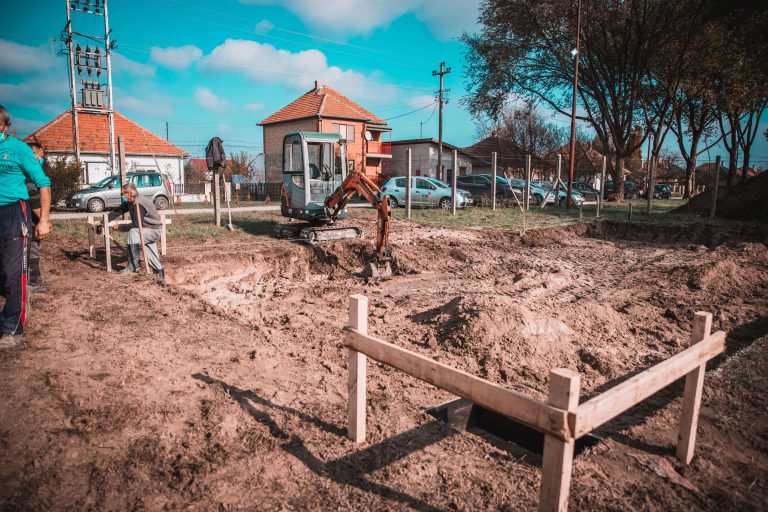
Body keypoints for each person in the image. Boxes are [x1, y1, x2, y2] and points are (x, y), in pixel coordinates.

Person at [0, 105, 53, 348]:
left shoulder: (18, 149)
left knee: (14, 272)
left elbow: (43, 183)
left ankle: (12, 327)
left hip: (12, 211)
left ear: (5, 126)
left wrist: (43, 219)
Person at [102, 183, 165, 280]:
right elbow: (118, 211)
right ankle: (159, 272)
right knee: (150, 251)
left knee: (134, 232)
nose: (122, 196)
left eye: (123, 194)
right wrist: (102, 222)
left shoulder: (138, 204)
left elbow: (136, 225)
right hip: (146, 229)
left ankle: (133, 265)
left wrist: (119, 227)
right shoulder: (131, 201)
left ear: (129, 194)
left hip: (153, 230)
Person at [26, 141, 49, 289]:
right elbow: (34, 198)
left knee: (34, 247)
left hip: (33, 217)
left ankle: (35, 278)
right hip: (27, 216)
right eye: (38, 155)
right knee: (28, 248)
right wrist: (44, 220)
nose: (39, 159)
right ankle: (30, 281)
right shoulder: (28, 174)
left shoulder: (35, 171)